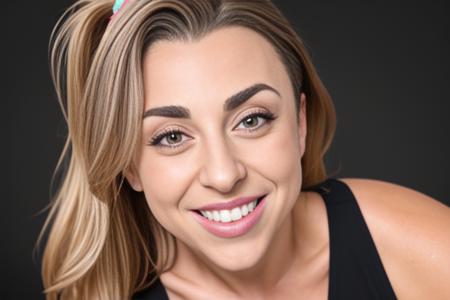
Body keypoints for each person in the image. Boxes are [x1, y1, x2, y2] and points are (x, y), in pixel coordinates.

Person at [37, 0, 450, 299]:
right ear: (129, 166)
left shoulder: (400, 240)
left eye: (251, 120)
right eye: (172, 137)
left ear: (300, 123)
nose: (223, 174)